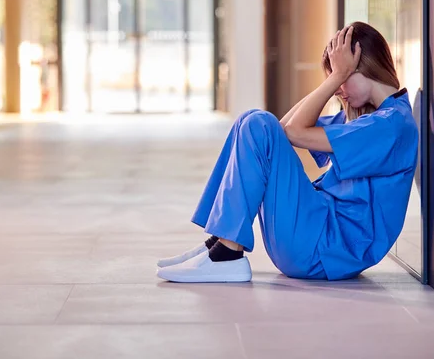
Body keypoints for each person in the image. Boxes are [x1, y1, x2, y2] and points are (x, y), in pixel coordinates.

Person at [157, 22, 419, 283]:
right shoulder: (371, 119)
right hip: (318, 238)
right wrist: (338, 76)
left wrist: (335, 78)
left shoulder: (388, 126)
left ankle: (226, 254)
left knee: (259, 123)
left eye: (341, 77)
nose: (338, 90)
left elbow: (288, 131)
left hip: (327, 248)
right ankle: (220, 243)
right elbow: (282, 130)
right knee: (250, 120)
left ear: (364, 66)